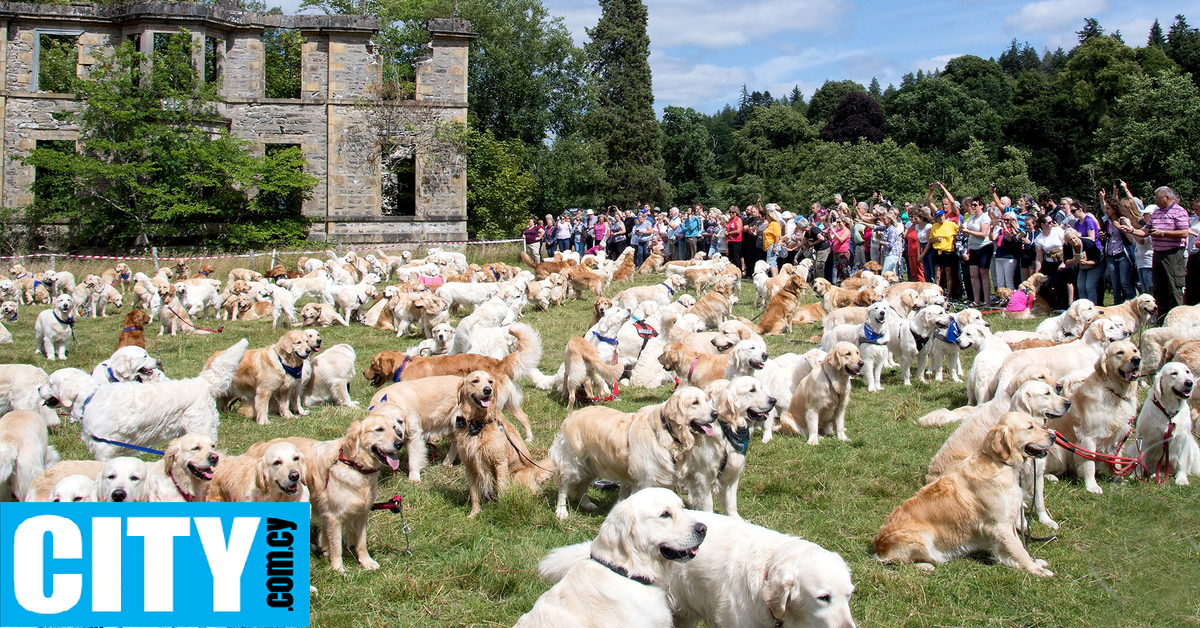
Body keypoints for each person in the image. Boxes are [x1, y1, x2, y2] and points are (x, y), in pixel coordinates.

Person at [1127, 186, 1189, 319]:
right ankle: (1162, 319)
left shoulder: (1179, 211)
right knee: (1159, 289)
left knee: (1173, 288)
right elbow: (1145, 231)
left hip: (1173, 254)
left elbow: (1184, 232)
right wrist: (1131, 230)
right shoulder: (1156, 212)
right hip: (1158, 254)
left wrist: (1163, 233)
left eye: (1158, 198)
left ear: (1167, 198)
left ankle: (1179, 319)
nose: (1156, 200)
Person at [1099, 191, 1136, 305]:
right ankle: (1117, 307)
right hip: (1110, 255)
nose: (1106, 210)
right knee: (1115, 286)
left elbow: (1130, 239)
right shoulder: (1106, 222)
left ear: (1115, 209)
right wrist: (1102, 236)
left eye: (1108, 209)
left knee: (1125, 283)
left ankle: (1133, 305)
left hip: (1122, 255)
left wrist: (1120, 228)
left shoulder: (1122, 220)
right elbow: (1105, 237)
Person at [962, 196, 993, 306]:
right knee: (973, 274)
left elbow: (983, 234)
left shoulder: (984, 217)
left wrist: (969, 232)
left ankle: (987, 301)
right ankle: (976, 300)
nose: (973, 207)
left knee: (984, 274)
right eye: (972, 205)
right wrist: (964, 232)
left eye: (975, 205)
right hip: (973, 248)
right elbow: (969, 232)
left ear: (981, 206)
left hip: (984, 247)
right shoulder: (972, 218)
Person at [1034, 213, 1069, 309]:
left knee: (1059, 284)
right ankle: (1054, 305)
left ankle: (1063, 306)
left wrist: (1063, 262)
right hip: (1049, 263)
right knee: (1044, 287)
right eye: (1048, 222)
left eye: (1052, 222)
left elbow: (1065, 246)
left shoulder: (1058, 231)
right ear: (1042, 224)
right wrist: (1037, 273)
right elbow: (1039, 257)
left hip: (1061, 261)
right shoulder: (1039, 239)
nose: (1051, 224)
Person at [1064, 227, 1103, 304]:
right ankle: (1083, 307)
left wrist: (1086, 263)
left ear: (1077, 236)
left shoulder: (1088, 243)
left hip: (1095, 264)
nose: (1073, 241)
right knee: (1081, 287)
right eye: (1070, 240)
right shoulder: (1067, 246)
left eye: (1074, 238)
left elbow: (1096, 260)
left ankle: (1093, 307)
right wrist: (1073, 261)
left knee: (1089, 287)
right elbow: (1066, 261)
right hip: (1082, 266)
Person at [929, 207, 959, 296]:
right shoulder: (934, 226)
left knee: (948, 273)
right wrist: (935, 239)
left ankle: (949, 294)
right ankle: (936, 293)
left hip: (948, 251)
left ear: (944, 216)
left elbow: (959, 231)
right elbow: (930, 240)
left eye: (942, 216)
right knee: (937, 274)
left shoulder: (951, 224)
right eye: (938, 217)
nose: (940, 218)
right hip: (938, 251)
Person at [992, 212, 1022, 293]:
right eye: (1004, 220)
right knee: (1000, 281)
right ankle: (1002, 299)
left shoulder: (1014, 231)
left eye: (1007, 220)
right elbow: (992, 238)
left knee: (1009, 281)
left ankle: (1011, 299)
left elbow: (1009, 238)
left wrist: (1005, 227)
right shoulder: (1000, 231)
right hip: (999, 256)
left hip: (1009, 257)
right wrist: (992, 228)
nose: (1005, 222)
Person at [877, 211, 903, 276]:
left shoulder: (892, 230)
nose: (883, 220)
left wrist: (882, 242)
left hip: (892, 254)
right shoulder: (886, 228)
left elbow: (890, 244)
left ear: (889, 220)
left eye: (884, 219)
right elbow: (874, 227)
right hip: (888, 254)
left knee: (884, 273)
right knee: (893, 274)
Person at [829, 216, 853, 282]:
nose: (838, 224)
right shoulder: (838, 230)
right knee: (838, 270)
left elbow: (841, 240)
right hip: (836, 253)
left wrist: (834, 231)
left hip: (843, 253)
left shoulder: (846, 231)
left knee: (844, 270)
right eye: (837, 222)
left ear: (844, 223)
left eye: (839, 222)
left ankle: (848, 283)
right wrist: (829, 232)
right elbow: (831, 238)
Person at [906, 208, 926, 282]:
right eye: (910, 216)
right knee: (913, 273)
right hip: (910, 253)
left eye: (913, 217)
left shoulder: (919, 227)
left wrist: (919, 254)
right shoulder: (911, 227)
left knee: (920, 273)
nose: (911, 218)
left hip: (917, 252)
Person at [763, 205, 783, 275]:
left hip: (772, 245)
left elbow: (777, 236)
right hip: (769, 245)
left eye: (767, 216)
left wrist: (775, 246)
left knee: (771, 263)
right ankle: (776, 277)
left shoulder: (775, 224)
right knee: (773, 263)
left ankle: (774, 278)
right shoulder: (770, 224)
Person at [1187, 198, 1200, 306]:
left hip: (1198, 252)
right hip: (1191, 252)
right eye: (1193, 209)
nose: (1194, 212)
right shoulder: (1194, 220)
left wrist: (1194, 234)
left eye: (1197, 209)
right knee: (1192, 281)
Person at [726, 207, 744, 272]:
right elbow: (727, 228)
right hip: (730, 241)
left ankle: (738, 271)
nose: (731, 214)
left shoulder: (738, 219)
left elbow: (738, 230)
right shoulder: (730, 220)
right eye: (730, 212)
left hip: (736, 241)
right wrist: (726, 232)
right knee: (731, 258)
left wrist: (729, 233)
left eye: (732, 212)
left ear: (736, 213)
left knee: (736, 257)